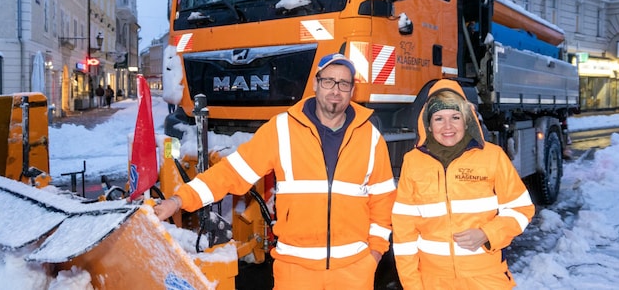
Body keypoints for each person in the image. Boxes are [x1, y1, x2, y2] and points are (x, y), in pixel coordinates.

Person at [154, 53, 396, 289]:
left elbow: (383, 202)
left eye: (344, 83)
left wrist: (374, 254)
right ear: (315, 84)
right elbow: (231, 172)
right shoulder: (282, 129)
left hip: (353, 273)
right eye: (329, 81)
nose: (336, 90)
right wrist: (179, 200)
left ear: (352, 90)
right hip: (295, 272)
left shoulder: (371, 138)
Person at [391, 79, 535, 290]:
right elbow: (404, 232)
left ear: (466, 120)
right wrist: (412, 285)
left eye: (455, 117)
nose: (447, 126)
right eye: (439, 118)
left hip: (485, 277)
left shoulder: (493, 157)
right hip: (433, 280)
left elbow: (521, 209)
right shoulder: (413, 162)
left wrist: (488, 233)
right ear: (428, 124)